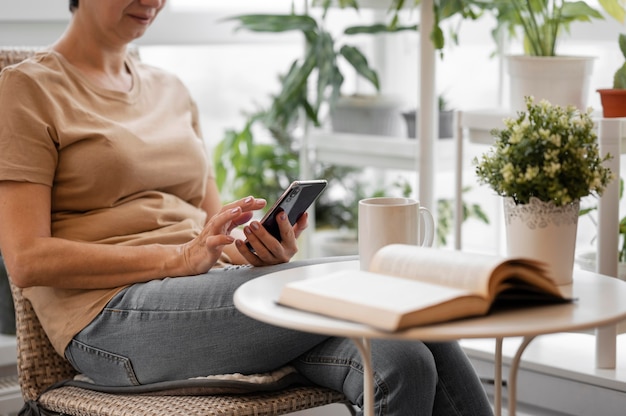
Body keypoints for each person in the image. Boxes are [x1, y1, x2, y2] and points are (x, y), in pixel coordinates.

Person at [0, 1, 493, 414]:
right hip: (110, 317)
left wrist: (257, 251)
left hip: (205, 296)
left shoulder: (170, 89)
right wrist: (177, 260)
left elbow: (217, 241)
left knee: (404, 357)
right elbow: (26, 259)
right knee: (390, 287)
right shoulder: (26, 89)